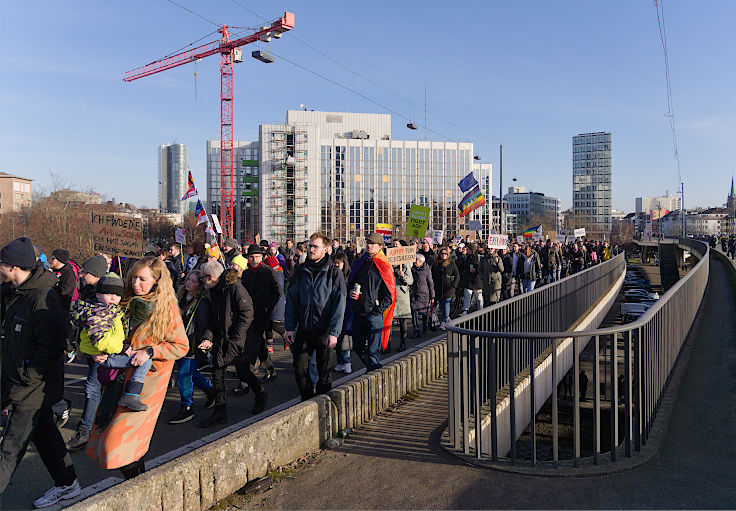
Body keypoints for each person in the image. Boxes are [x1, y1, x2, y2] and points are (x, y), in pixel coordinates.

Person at [86, 257, 189, 479]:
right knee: (121, 441)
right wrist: (102, 348)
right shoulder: (125, 301)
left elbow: (181, 346)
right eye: (133, 278)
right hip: (119, 377)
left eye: (142, 279)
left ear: (157, 280)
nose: (135, 284)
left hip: (147, 385)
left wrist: (150, 351)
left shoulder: (166, 308)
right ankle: (139, 485)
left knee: (117, 440)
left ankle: (137, 485)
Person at [0, 237, 80, 507]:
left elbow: (51, 347)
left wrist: (27, 380)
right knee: (45, 434)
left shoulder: (41, 298)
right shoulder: (17, 292)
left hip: (31, 387)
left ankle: (67, 483)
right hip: (16, 379)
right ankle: (68, 483)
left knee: (11, 447)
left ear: (14, 267)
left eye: (1, 263)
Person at [71, 274, 154, 412]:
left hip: (104, 355)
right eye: (108, 293)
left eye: (117, 295)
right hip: (107, 356)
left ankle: (89, 426)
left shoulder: (113, 310)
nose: (113, 298)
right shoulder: (98, 312)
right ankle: (132, 394)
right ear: (98, 294)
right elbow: (101, 342)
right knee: (145, 360)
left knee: (95, 390)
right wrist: (122, 348)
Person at [199, 260, 265, 426]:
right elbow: (213, 320)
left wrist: (236, 338)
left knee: (243, 372)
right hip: (222, 339)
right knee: (217, 373)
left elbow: (247, 314)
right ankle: (220, 411)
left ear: (211, 277)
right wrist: (208, 338)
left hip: (241, 339)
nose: (201, 282)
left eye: (202, 278)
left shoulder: (235, 288)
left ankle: (261, 393)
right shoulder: (214, 291)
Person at [285, 233, 346, 400]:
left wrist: (335, 332)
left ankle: (322, 403)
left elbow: (340, 303)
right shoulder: (301, 270)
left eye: (315, 246)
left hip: (324, 328)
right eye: (310, 246)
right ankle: (307, 399)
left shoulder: (333, 273)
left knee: (324, 371)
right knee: (299, 368)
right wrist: (289, 327)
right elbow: (292, 300)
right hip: (304, 327)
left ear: (326, 250)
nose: (311, 249)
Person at [169, 270, 214, 424]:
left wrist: (205, 341)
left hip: (193, 344)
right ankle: (210, 389)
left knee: (184, 374)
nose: (189, 283)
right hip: (177, 341)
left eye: (194, 281)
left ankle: (187, 407)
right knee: (190, 373)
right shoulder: (178, 297)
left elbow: (205, 324)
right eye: (188, 279)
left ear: (200, 285)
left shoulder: (202, 302)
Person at [346, 233, 396, 371]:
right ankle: (372, 368)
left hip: (373, 314)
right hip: (358, 312)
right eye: (368, 242)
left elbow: (389, 295)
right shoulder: (360, 262)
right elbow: (350, 283)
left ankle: (373, 374)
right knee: (357, 346)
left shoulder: (384, 266)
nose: (369, 245)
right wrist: (351, 291)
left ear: (380, 247)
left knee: (374, 352)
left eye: (372, 243)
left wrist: (377, 311)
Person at [235, 245, 280, 396]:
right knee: (258, 343)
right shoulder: (246, 274)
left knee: (250, 344)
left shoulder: (268, 272)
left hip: (261, 314)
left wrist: (268, 307)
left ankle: (245, 380)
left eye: (258, 257)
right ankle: (270, 369)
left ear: (262, 257)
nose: (255, 260)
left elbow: (277, 291)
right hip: (248, 313)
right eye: (252, 257)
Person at [391, 240, 414, 352]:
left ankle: (403, 343)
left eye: (397, 245)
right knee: (388, 321)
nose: (395, 246)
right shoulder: (389, 263)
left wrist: (403, 276)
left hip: (402, 295)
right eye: (394, 244)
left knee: (402, 320)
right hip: (391, 294)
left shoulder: (405, 265)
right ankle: (387, 344)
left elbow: (410, 281)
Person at [332, 253, 353, 371]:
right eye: (335, 263)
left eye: (338, 263)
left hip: (347, 309)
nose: (336, 265)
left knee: (345, 336)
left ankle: (347, 361)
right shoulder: (332, 275)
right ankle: (340, 361)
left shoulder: (349, 277)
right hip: (335, 309)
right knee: (336, 336)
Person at [432, 246, 460, 329]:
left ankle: (444, 321)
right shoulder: (436, 264)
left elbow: (457, 275)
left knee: (446, 304)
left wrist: (454, 285)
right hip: (439, 289)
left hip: (449, 289)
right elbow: (433, 275)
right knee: (441, 304)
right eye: (442, 254)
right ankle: (447, 319)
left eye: (445, 254)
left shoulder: (451, 263)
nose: (443, 255)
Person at [410, 253, 434, 338]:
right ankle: (416, 330)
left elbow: (430, 283)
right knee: (414, 311)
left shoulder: (426, 270)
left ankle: (425, 326)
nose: (414, 262)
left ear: (420, 261)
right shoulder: (412, 269)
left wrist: (432, 296)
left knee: (424, 312)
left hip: (424, 294)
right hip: (414, 294)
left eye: (416, 260)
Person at [459, 243, 483, 315]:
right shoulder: (466, 257)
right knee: (467, 296)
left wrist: (476, 270)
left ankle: (481, 310)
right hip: (468, 280)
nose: (466, 250)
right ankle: (465, 310)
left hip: (477, 280)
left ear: (472, 250)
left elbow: (481, 268)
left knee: (479, 297)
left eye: (468, 249)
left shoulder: (479, 257)